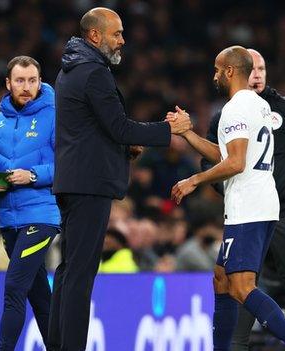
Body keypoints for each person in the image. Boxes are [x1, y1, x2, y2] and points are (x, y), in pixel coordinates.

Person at [50, 7, 191, 351]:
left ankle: (57, 345)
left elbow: (90, 132)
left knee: (69, 273)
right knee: (80, 277)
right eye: (117, 33)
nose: (122, 40)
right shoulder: (94, 73)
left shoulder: (68, 70)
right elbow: (119, 127)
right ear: (95, 36)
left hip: (72, 181)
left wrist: (124, 150)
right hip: (90, 185)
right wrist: (167, 129)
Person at [171, 45, 285, 351]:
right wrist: (188, 134)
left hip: (247, 207)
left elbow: (235, 163)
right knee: (222, 279)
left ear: (229, 71)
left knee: (241, 287)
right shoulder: (258, 105)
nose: (213, 76)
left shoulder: (235, 109)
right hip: (260, 203)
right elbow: (226, 154)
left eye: (216, 69)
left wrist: (194, 179)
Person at [201, 49, 285, 347]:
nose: (257, 74)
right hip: (249, 209)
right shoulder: (234, 111)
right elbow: (214, 157)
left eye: (261, 68)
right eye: (253, 69)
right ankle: (237, 346)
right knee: (227, 279)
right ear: (241, 71)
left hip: (283, 211)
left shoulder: (283, 110)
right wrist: (228, 189)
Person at [0, 56, 60, 351]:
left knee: (14, 287)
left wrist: (34, 175)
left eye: (32, 81)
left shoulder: (55, 115)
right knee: (38, 294)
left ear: (40, 82)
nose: (26, 87)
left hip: (42, 217)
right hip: (9, 220)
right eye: (20, 81)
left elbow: (68, 164)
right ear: (8, 83)